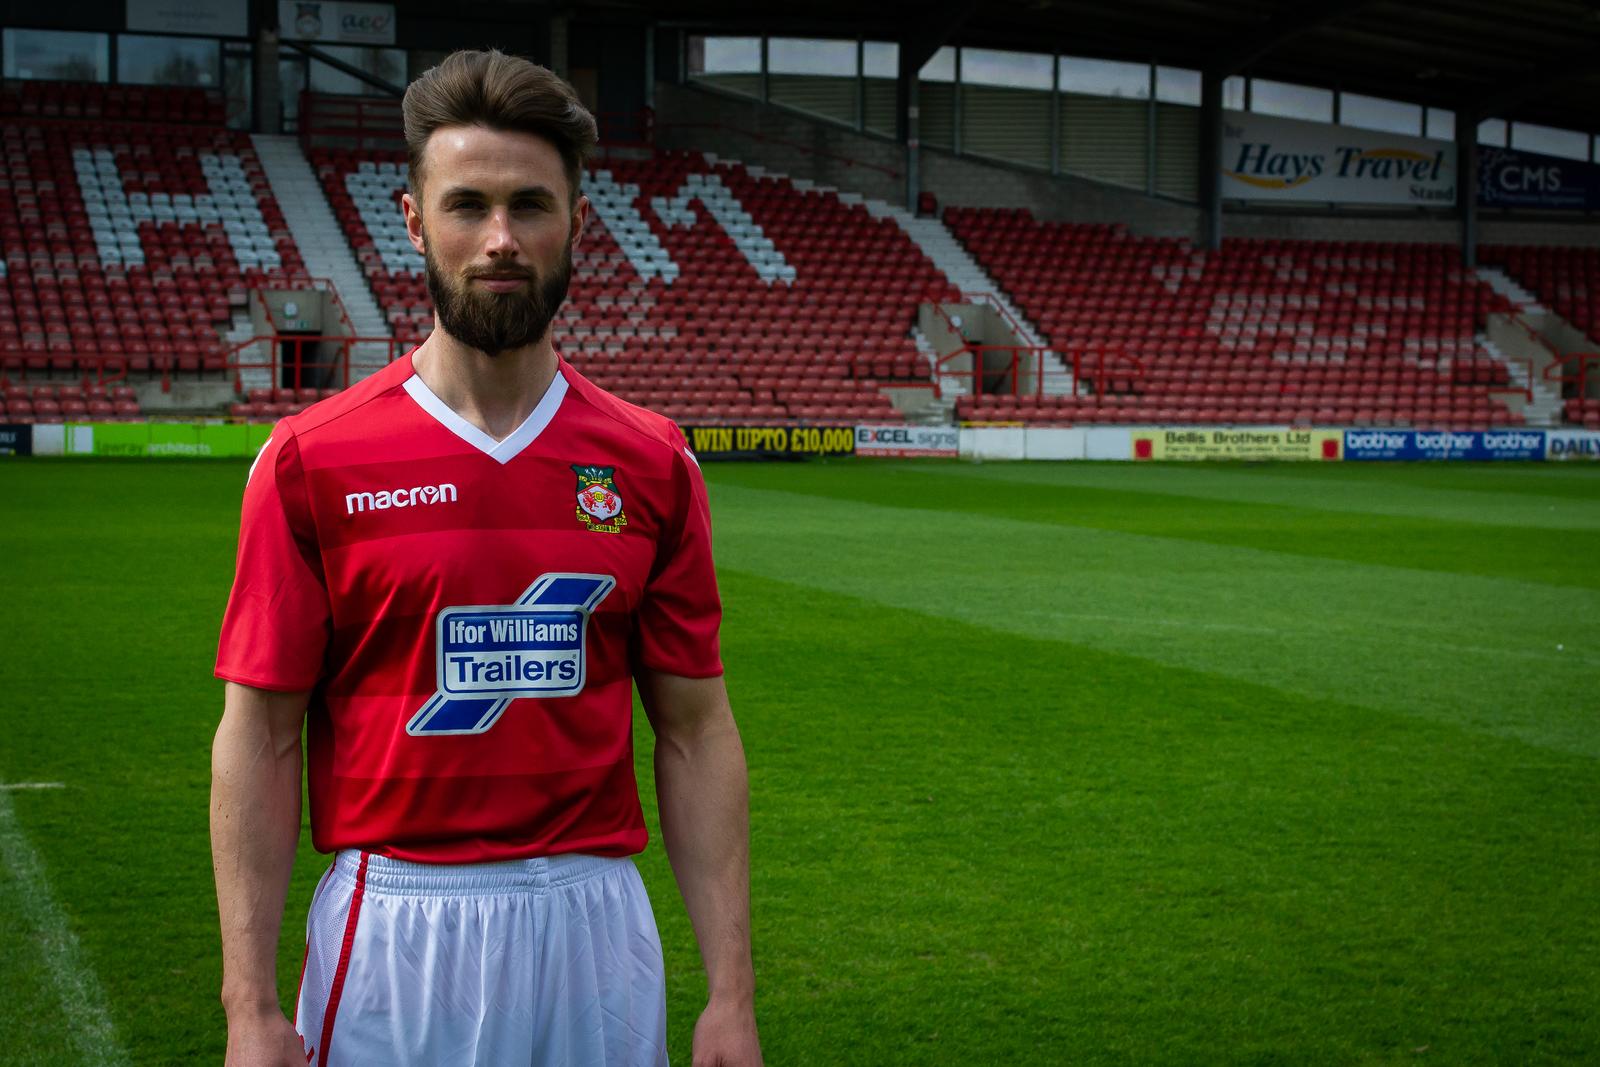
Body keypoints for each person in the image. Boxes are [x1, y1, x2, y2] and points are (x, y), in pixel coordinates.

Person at [210, 49, 761, 1067]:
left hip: (599, 930)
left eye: (529, 205)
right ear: (415, 222)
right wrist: (250, 1005)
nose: (501, 238)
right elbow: (261, 734)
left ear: (576, 222)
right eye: (467, 205)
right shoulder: (310, 460)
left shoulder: (652, 462)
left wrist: (732, 992)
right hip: (397, 925)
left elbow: (695, 730)